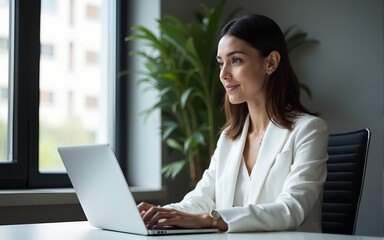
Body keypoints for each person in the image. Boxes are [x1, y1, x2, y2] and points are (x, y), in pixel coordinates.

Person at [138, 14, 329, 233]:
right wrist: (158, 214)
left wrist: (209, 219)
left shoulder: (309, 130)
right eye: (221, 63)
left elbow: (290, 210)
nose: (224, 74)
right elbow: (201, 200)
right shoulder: (230, 137)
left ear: (271, 62)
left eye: (236, 60)